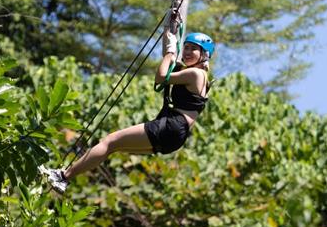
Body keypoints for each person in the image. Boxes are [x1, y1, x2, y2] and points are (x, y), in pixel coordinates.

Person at [39, 30, 215, 193]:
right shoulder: (197, 76)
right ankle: (65, 176)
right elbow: (168, 63)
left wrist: (170, 52)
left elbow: (161, 76)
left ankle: (63, 177)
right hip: (176, 135)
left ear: (204, 55)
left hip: (171, 126)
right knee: (112, 147)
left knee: (109, 141)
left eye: (193, 49)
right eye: (186, 47)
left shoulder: (195, 74)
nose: (187, 52)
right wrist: (171, 30)